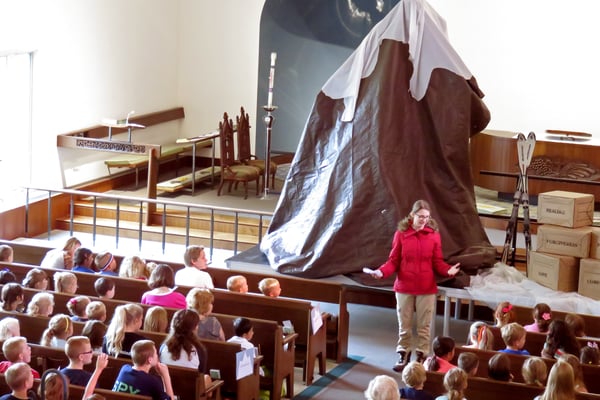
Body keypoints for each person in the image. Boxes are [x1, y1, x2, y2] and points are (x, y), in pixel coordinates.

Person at [367, 200, 460, 371]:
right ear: (412, 215)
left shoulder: (433, 235)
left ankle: (421, 357)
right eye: (420, 216)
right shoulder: (401, 234)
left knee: (424, 326)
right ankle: (403, 355)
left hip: (426, 287)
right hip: (404, 286)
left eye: (426, 217)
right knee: (405, 325)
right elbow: (393, 261)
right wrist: (381, 272)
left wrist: (448, 271)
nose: (424, 220)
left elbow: (437, 261)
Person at [159, 309, 211, 387]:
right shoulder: (199, 350)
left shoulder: (164, 347)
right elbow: (201, 374)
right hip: (191, 392)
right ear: (194, 328)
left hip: (166, 389)